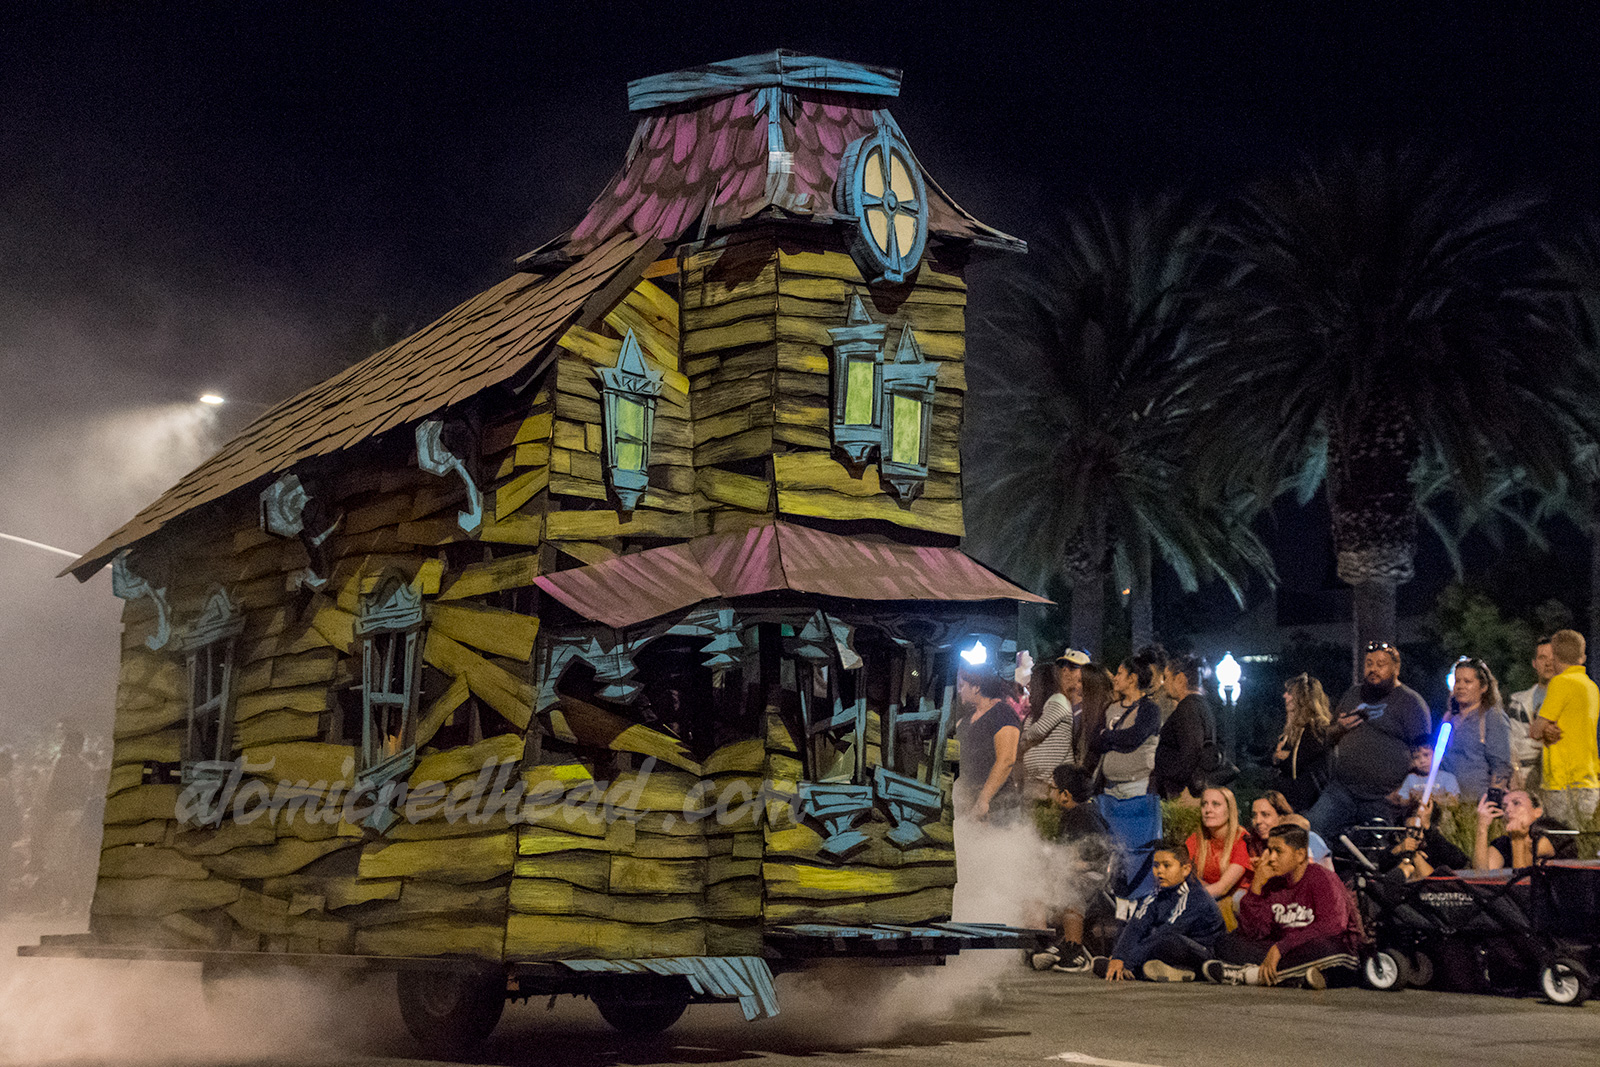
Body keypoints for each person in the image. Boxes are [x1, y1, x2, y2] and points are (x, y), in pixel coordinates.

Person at [1204, 824, 1362, 988]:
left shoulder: (1321, 878)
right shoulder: (1273, 884)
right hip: (1287, 953)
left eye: (1278, 851)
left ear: (1300, 855)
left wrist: (1281, 948)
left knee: (1330, 951)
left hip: (1319, 949)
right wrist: (1257, 885)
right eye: (1269, 850)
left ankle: (1251, 976)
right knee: (1227, 943)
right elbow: (1254, 932)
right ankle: (1297, 977)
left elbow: (1333, 925)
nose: (1271, 858)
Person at [1307, 643, 1431, 840]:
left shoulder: (1410, 702)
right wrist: (1340, 728)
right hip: (1343, 790)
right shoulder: (1352, 694)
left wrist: (1405, 790)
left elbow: (1425, 756)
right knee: (1312, 833)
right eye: (1369, 663)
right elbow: (1328, 736)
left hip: (1383, 798)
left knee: (1380, 852)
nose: (1373, 669)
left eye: (1381, 664)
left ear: (1396, 669)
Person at [1088, 650, 1165, 899]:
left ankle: (1138, 901)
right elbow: (1094, 742)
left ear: (1132, 678)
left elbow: (1134, 737)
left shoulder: (1149, 710)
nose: (1115, 679)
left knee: (1137, 851)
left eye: (1120, 673)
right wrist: (1109, 740)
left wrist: (1108, 737)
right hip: (1109, 790)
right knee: (1112, 852)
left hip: (1135, 790)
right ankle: (1117, 903)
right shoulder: (1111, 709)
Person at [1096, 843, 1225, 983]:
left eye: (1167, 865)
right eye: (1156, 865)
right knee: (1126, 928)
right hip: (1160, 945)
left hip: (1200, 952)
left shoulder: (1195, 897)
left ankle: (1192, 972)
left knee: (1168, 940)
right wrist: (1118, 956)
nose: (1159, 871)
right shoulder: (1155, 894)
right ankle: (1168, 972)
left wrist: (1127, 960)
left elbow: (1167, 932)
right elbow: (1136, 927)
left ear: (1186, 869)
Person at [1031, 764, 1116, 973]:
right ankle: (1048, 946)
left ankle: (1074, 949)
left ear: (1065, 795)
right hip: (1075, 873)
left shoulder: (1084, 815)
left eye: (1053, 787)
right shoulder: (1073, 813)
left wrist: (1070, 867)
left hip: (1094, 879)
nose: (1049, 792)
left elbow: (1100, 856)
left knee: (1070, 888)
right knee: (1033, 888)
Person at [1528, 629, 1600, 828]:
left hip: (1562, 782)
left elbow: (1535, 730)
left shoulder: (1560, 683)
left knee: (1560, 844)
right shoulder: (1591, 686)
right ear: (1582, 657)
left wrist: (1544, 729)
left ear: (1555, 656)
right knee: (1582, 845)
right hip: (1588, 781)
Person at [1438, 656, 1512, 803]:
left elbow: (1501, 764)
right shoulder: (1448, 719)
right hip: (1446, 803)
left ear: (1483, 687)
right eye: (1457, 681)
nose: (1460, 686)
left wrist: (1493, 800)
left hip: (1477, 803)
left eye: (1468, 682)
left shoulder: (1492, 717)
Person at [953, 667, 1021, 823]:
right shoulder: (966, 720)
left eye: (962, 685)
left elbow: (1006, 760)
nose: (959, 691)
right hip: (970, 805)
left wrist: (983, 801)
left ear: (976, 687)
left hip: (998, 807)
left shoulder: (1002, 714)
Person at [1151, 653, 1210, 801]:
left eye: (1167, 677)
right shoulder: (1198, 705)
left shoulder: (1188, 708)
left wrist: (1174, 779)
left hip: (1183, 793)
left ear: (1180, 679)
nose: (1164, 684)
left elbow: (1191, 750)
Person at [1272, 673, 1333, 813]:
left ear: (1302, 699)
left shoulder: (1315, 729)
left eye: (1290, 693)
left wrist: (1284, 757)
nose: (1284, 696)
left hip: (1308, 806)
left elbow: (1298, 763)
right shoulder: (1293, 731)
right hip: (1292, 802)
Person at [1186, 788, 1252, 917]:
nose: (1208, 810)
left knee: (1236, 902)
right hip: (1208, 893)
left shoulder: (1242, 839)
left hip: (1238, 894)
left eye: (1216, 804)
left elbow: (1223, 888)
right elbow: (1182, 871)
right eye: (1204, 804)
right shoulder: (1197, 838)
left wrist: (1187, 898)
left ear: (1229, 810)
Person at [1473, 788, 1576, 869]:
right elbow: (1482, 875)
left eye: (1516, 803)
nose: (1508, 810)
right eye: (1504, 807)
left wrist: (1517, 841)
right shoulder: (1504, 842)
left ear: (1537, 812)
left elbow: (1524, 883)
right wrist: (1482, 827)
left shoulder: (1549, 833)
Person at [1020, 660, 1076, 802]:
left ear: (1041, 683)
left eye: (1032, 682)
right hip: (1035, 783)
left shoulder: (1059, 700)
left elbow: (1039, 730)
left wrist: (1022, 738)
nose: (1028, 686)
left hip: (1054, 784)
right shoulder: (1036, 711)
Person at [1507, 636, 1556, 789]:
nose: (1548, 663)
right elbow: (1516, 746)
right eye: (1542, 658)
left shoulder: (1571, 698)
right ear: (1534, 663)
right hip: (1526, 780)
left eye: (1553, 658)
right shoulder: (1519, 703)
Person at [1384, 796, 1470, 880]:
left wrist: (1428, 830)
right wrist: (1398, 849)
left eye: (1420, 830)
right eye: (1410, 830)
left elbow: (1460, 862)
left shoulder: (1438, 849)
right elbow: (1380, 865)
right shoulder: (1398, 848)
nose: (1414, 835)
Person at [1250, 791, 1333, 869]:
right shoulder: (1261, 846)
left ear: (1281, 816)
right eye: (1254, 816)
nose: (1258, 821)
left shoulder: (1305, 838)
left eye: (1265, 815)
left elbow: (1307, 874)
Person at [1072, 662, 1114, 778]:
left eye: (1080, 681)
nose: (1076, 685)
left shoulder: (1107, 710)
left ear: (1090, 682)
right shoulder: (1086, 709)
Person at [1395, 743, 1460, 804]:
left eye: (1426, 755)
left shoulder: (1448, 778)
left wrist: (1432, 799)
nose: (1422, 761)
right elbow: (1402, 802)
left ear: (1440, 756)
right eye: (1416, 757)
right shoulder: (1411, 778)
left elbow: (1454, 802)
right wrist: (1411, 798)